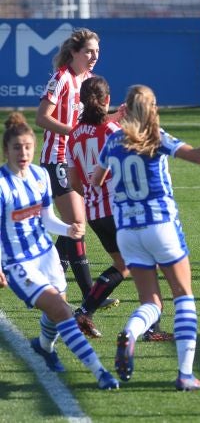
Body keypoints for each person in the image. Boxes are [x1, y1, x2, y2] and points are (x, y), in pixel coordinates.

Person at [91, 85, 200, 391]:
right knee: (183, 295)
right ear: (151, 110)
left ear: (126, 110)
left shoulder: (113, 140)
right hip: (159, 225)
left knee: (151, 301)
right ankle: (185, 375)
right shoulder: (156, 137)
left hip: (127, 230)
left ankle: (130, 332)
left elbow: (97, 179)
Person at [0, 112, 119, 390]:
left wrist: (68, 229)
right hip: (18, 263)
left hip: (46, 255)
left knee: (56, 311)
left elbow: (47, 218)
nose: (23, 153)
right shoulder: (2, 184)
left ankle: (44, 347)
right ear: (6, 150)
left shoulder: (40, 175)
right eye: (17, 148)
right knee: (63, 311)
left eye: (28, 147)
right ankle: (100, 372)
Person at [66, 76, 173, 342]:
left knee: (123, 264)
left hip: (94, 212)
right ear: (107, 99)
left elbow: (74, 182)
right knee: (145, 264)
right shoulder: (113, 133)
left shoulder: (73, 136)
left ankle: (84, 312)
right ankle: (151, 329)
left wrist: (92, 195)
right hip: (119, 210)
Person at [37, 27, 100, 304]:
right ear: (74, 52)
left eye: (97, 52)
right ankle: (90, 295)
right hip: (56, 158)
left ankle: (51, 279)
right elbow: (41, 117)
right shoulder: (61, 78)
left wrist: (116, 116)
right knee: (76, 223)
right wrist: (71, 132)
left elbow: (92, 122)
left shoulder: (90, 81)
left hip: (77, 161)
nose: (94, 56)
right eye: (88, 51)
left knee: (73, 224)